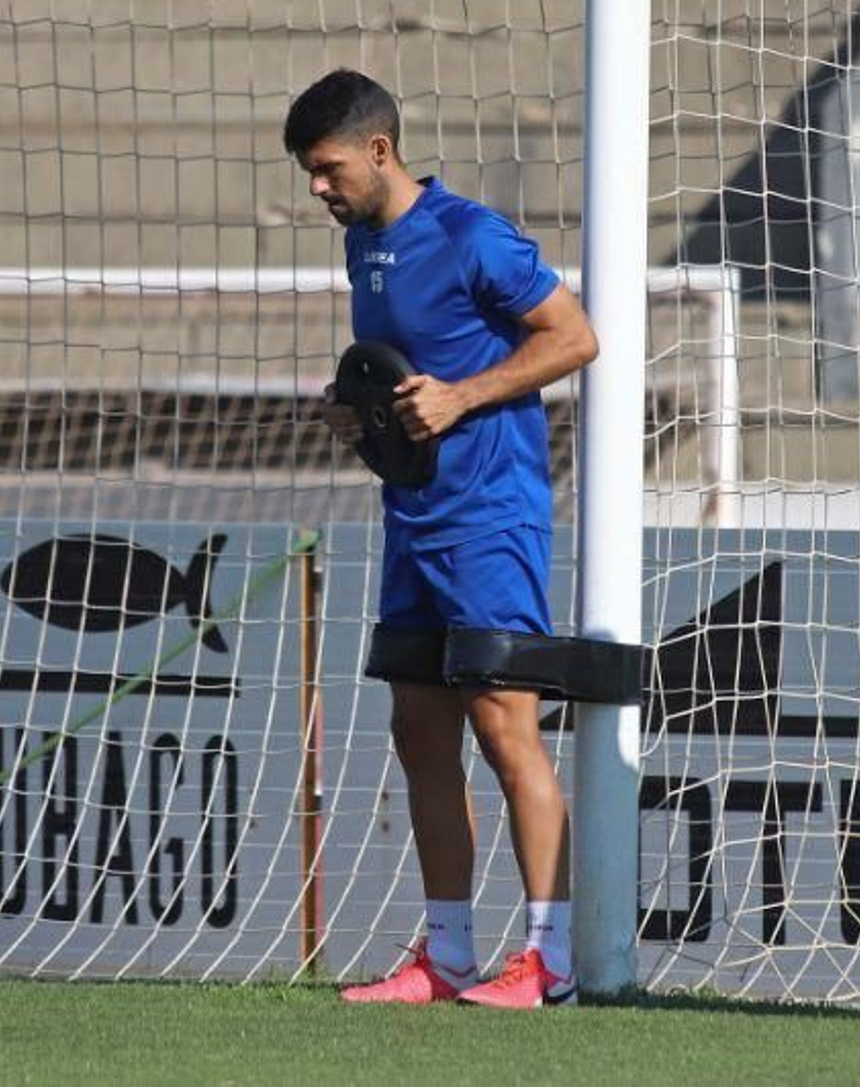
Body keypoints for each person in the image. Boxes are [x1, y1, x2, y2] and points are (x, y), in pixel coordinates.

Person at [285, 69, 599, 1008]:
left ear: (379, 151)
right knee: (418, 731)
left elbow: (575, 337)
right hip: (411, 516)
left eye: (328, 167)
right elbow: (401, 377)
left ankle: (551, 962)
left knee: (507, 727)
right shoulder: (361, 248)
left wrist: (462, 396)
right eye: (309, 172)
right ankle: (451, 952)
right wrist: (360, 419)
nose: (317, 187)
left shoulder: (473, 236)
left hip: (492, 516)